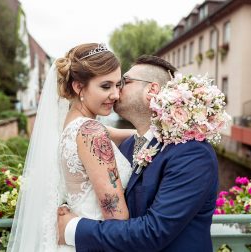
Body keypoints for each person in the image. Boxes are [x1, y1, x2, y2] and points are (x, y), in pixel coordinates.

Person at [58, 55, 219, 252]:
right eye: (111, 85)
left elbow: (153, 232)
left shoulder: (192, 154)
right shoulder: (126, 145)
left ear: (151, 90)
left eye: (123, 82)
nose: (116, 91)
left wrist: (72, 228)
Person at [7, 43, 135, 251]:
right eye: (105, 86)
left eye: (118, 85)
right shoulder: (92, 132)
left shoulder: (72, 124)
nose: (116, 94)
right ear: (78, 87)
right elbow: (117, 217)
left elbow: (128, 135)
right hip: (97, 242)